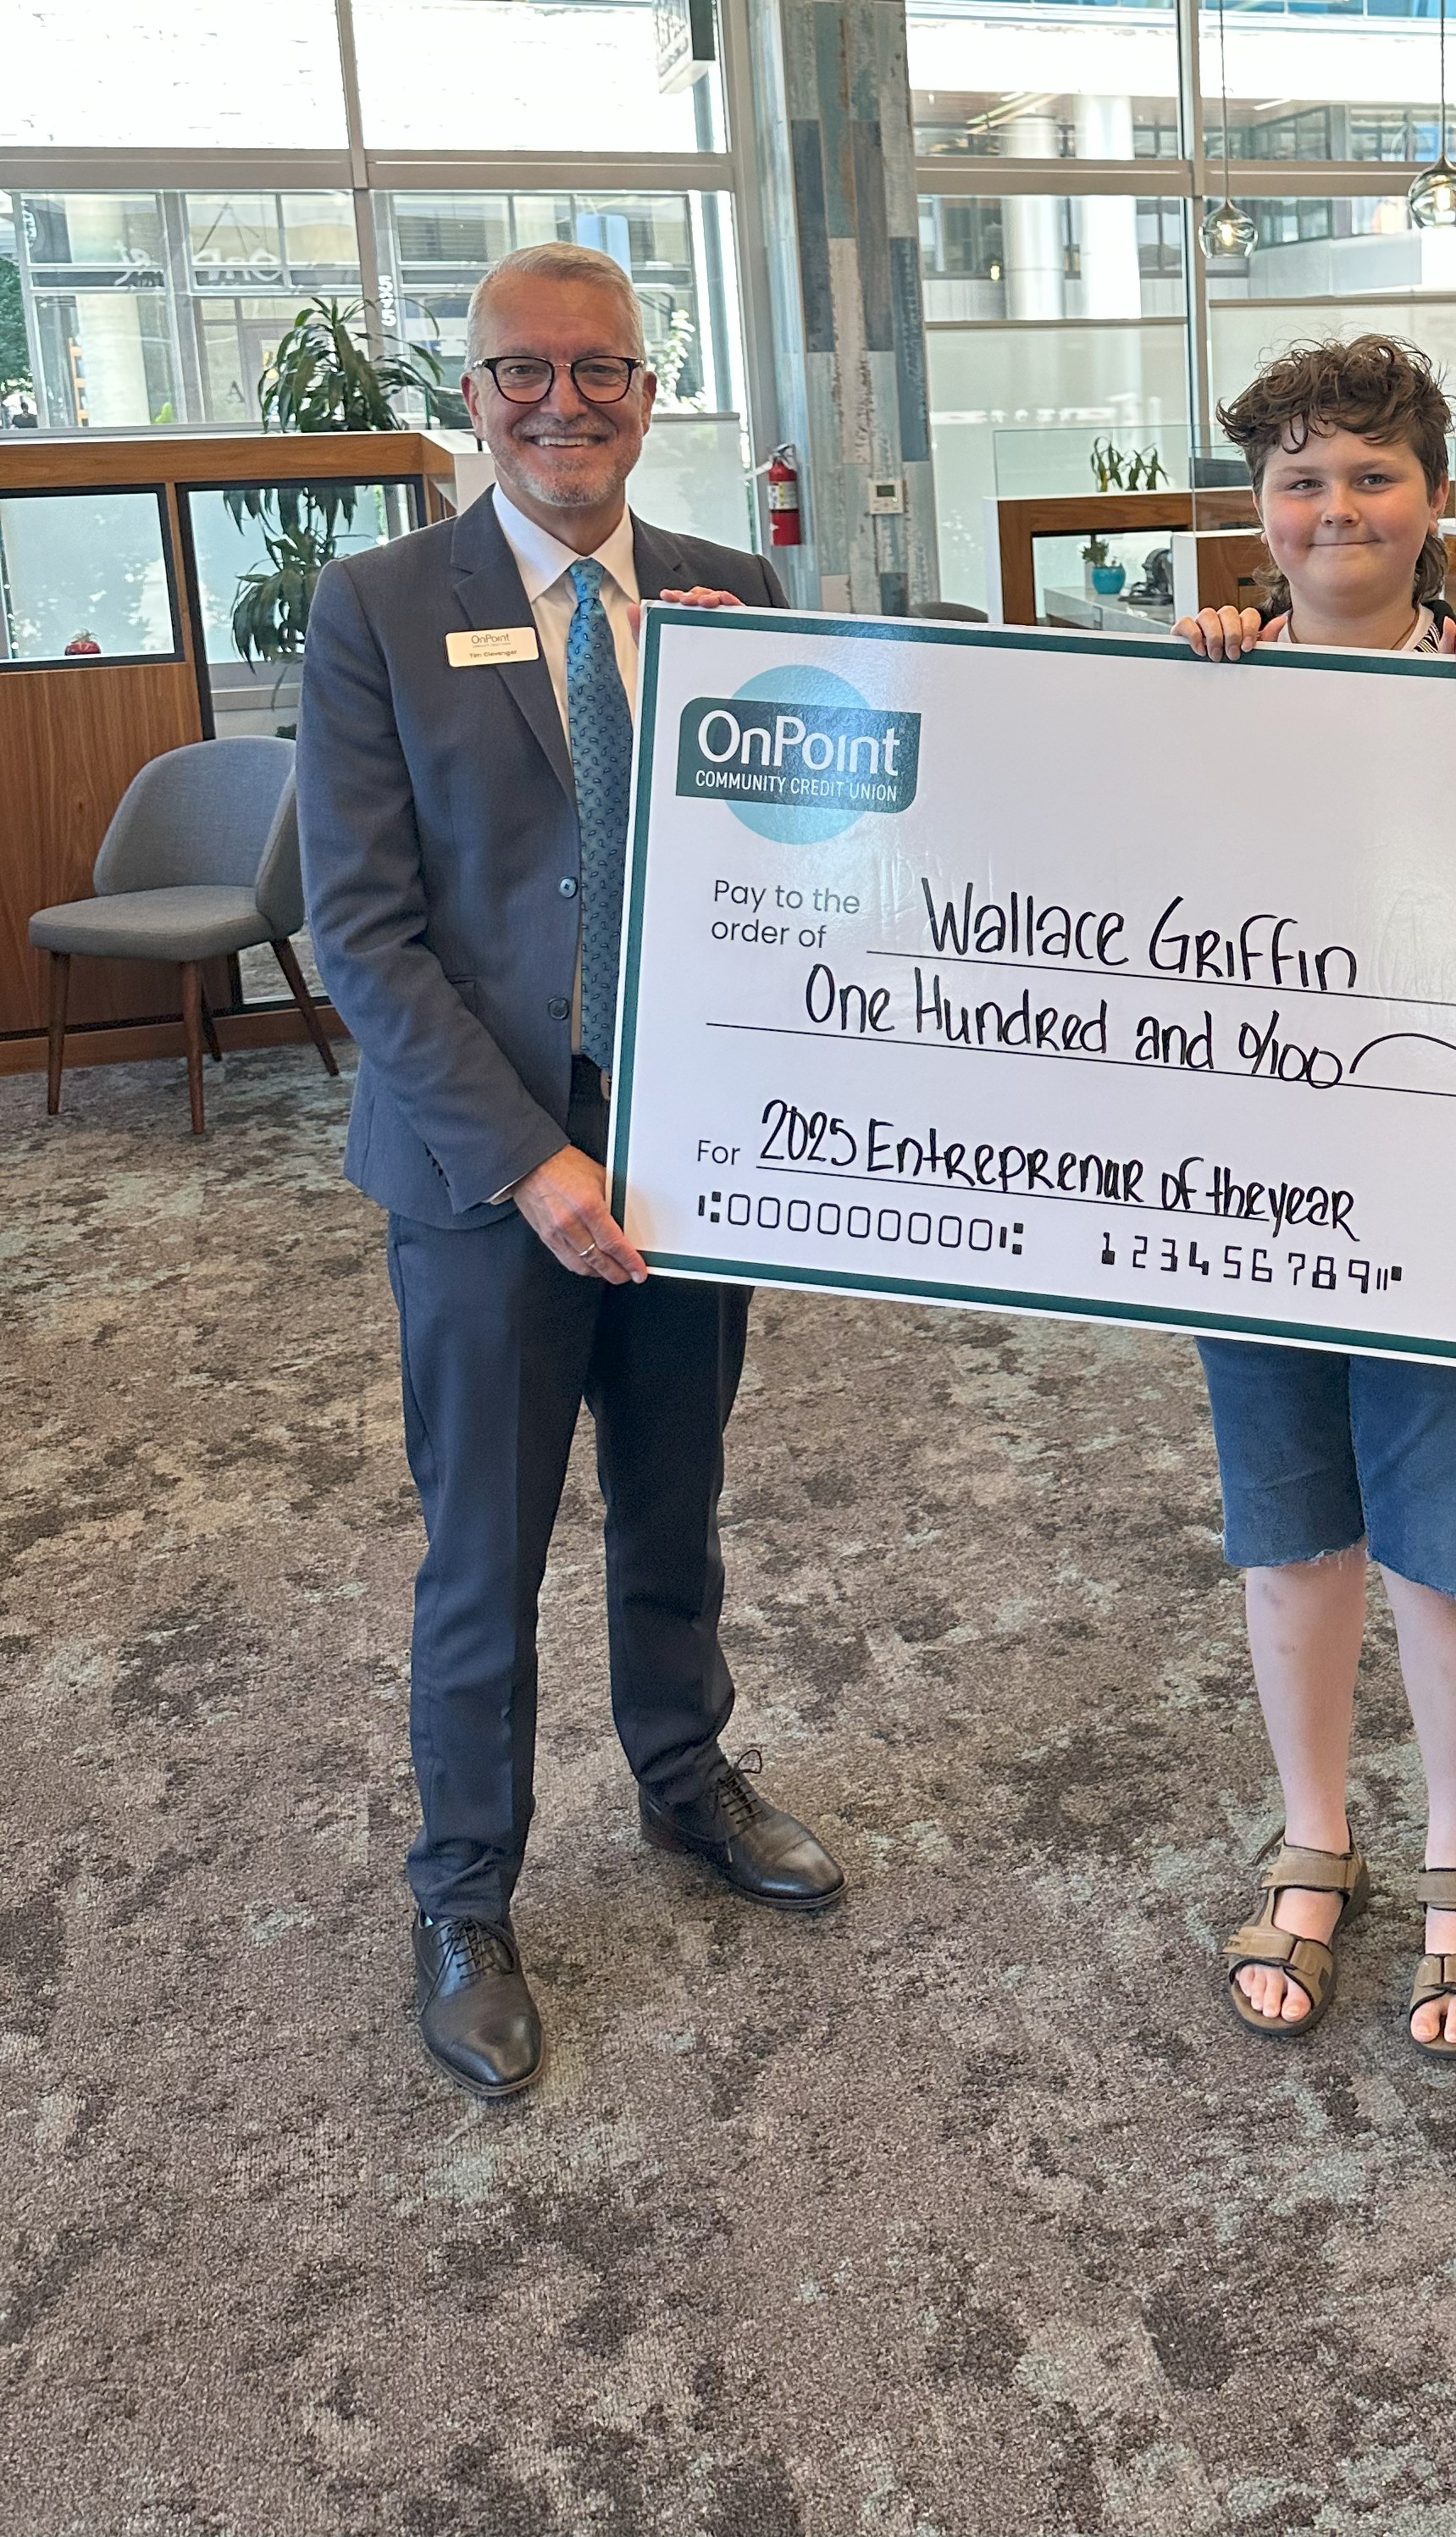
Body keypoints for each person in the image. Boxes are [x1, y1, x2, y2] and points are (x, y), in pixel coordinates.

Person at [299, 243, 842, 2104]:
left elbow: (803, 869)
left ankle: (686, 1780)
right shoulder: (379, 607)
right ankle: (464, 1894)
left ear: (647, 390)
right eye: (522, 371)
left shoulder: (728, 592)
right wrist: (535, 1163)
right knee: (487, 1550)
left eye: (598, 366)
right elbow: (364, 935)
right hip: (484, 1180)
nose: (563, 401)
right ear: (476, 399)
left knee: (677, 1505)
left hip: (694, 1161)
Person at [1175, 335, 1456, 2059]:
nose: (1337, 507)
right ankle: (1314, 1836)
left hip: (1448, 1198)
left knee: (1450, 1554)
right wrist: (1186, 697)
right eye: (1301, 479)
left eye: (1374, 475)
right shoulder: (1196, 693)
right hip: (1252, 1194)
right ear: (1259, 511)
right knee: (1289, 1535)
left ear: (1437, 500)